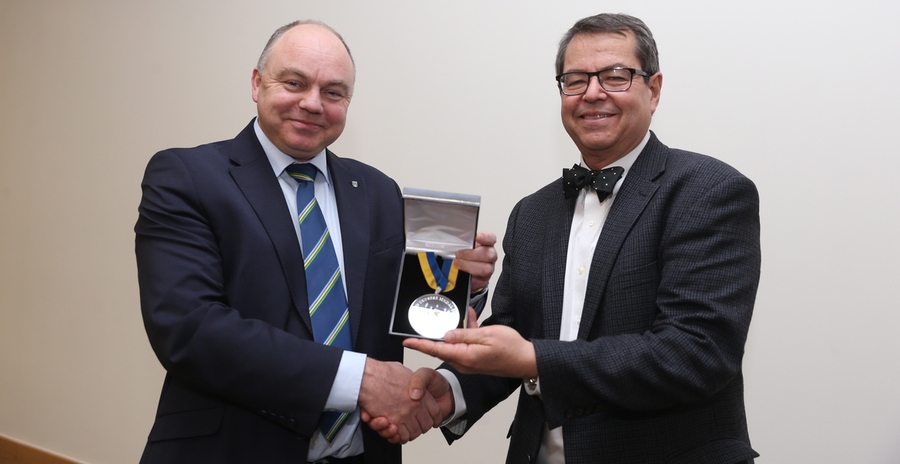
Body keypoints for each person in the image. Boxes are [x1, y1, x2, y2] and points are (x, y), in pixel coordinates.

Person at [368, 13, 761, 464]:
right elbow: (514, 333)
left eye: (615, 76)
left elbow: (696, 353)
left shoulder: (709, 190)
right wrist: (451, 390)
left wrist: (534, 359)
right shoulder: (532, 213)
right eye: (575, 80)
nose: (592, 93)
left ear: (653, 90)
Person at [134, 20, 496, 464]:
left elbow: (400, 309)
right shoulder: (187, 177)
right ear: (257, 83)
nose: (312, 103)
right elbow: (189, 328)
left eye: (333, 92)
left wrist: (462, 285)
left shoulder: (378, 191)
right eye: (294, 83)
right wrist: (360, 380)